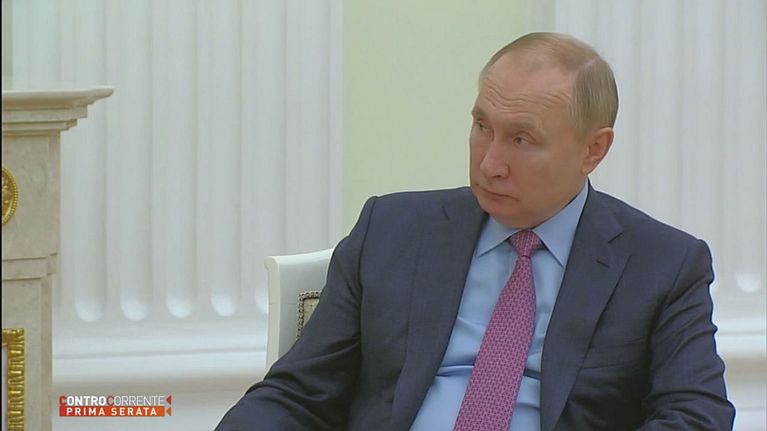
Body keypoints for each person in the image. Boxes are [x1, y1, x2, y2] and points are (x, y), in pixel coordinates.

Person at [217, 32, 734, 430]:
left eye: (521, 139)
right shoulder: (391, 231)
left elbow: (697, 416)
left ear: (593, 149)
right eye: (482, 126)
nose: (489, 164)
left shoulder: (663, 265)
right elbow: (298, 394)